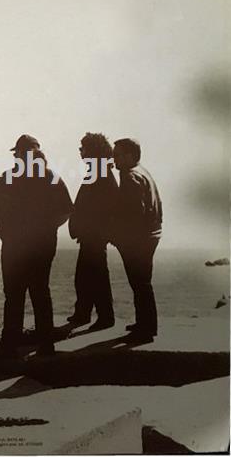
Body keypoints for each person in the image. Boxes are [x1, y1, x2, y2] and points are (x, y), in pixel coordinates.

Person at [0, 135, 73, 356]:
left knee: (13, 294)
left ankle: (10, 343)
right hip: (43, 244)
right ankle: (46, 344)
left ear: (18, 155)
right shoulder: (51, 178)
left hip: (14, 245)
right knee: (40, 291)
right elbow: (66, 211)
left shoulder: (7, 178)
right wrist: (47, 228)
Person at [112, 138, 163, 343]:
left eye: (117, 155)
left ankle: (145, 330)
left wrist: (119, 236)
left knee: (139, 284)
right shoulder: (143, 172)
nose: (114, 159)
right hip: (151, 234)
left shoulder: (130, 176)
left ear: (130, 155)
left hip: (138, 239)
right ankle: (145, 324)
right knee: (143, 283)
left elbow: (134, 212)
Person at [68, 133, 118, 330]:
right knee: (87, 276)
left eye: (84, 147)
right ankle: (85, 313)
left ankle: (104, 317)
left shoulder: (100, 173)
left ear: (93, 151)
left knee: (94, 277)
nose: (80, 151)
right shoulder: (99, 172)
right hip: (91, 235)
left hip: (94, 236)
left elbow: (102, 207)